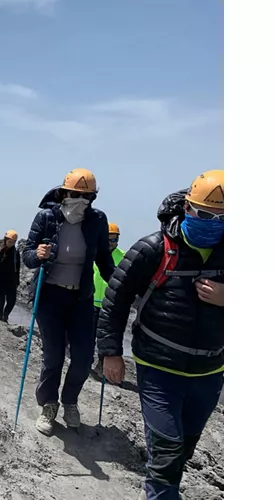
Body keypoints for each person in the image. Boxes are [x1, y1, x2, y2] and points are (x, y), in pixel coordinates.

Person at [97, 170, 224, 500]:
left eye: (225, 217)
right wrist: (111, 352)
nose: (214, 222)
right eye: (206, 214)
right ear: (187, 208)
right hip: (158, 368)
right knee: (166, 452)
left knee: (184, 448)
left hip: (210, 373)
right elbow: (117, 297)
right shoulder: (154, 248)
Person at [22, 168, 115, 436]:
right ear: (63, 193)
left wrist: (121, 287)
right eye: (75, 194)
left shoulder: (97, 220)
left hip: (81, 299)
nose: (81, 200)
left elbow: (105, 263)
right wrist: (37, 254)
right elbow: (28, 254)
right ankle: (48, 405)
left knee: (83, 358)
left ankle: (70, 401)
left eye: (87, 196)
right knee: (54, 356)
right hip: (49, 296)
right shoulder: (47, 217)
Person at [91, 222, 126, 375]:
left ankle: (101, 366)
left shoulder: (123, 257)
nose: (112, 243)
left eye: (115, 239)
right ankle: (84, 363)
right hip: (90, 302)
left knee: (106, 338)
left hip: (109, 305)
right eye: (109, 239)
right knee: (88, 335)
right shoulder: (91, 253)